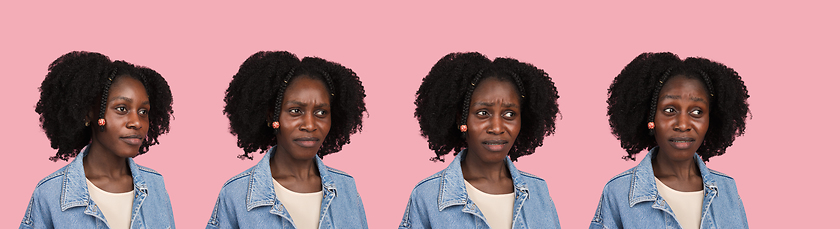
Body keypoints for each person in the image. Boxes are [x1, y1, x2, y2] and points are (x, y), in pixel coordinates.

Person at [399, 52, 562, 229]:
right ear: (462, 120)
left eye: (509, 114)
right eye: (483, 113)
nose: (497, 128)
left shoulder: (539, 192)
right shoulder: (427, 197)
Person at [207, 51, 368, 229]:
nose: (310, 125)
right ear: (271, 115)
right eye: (295, 111)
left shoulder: (347, 189)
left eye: (321, 113)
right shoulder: (236, 194)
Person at [590, 52, 750, 229]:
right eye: (670, 110)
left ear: (711, 120)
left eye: (697, 112)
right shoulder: (619, 193)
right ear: (650, 118)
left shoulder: (728, 190)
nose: (683, 125)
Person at [21, 51, 176, 229]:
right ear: (89, 114)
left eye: (143, 112)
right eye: (122, 108)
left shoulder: (155, 185)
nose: (136, 122)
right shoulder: (50, 193)